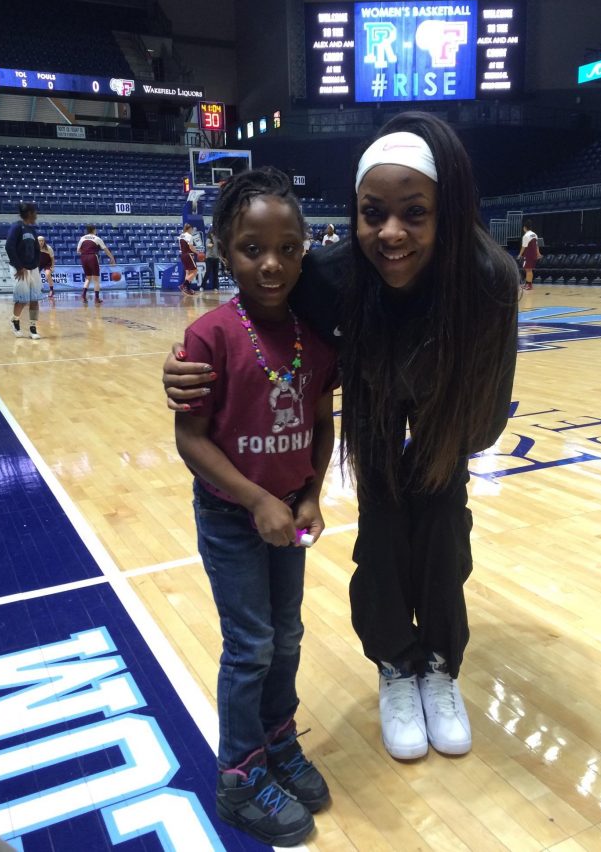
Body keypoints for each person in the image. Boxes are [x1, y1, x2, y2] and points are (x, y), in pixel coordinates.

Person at [163, 111, 518, 764]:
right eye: (370, 212)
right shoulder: (329, 277)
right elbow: (258, 315)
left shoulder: (487, 279)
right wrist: (191, 368)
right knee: (381, 531)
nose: (390, 233)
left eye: (414, 213)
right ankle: (393, 662)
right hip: (374, 414)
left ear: (447, 211)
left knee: (441, 531)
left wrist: (438, 448)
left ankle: (438, 664)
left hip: (451, 417)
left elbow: (486, 420)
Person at [174, 167, 337, 846]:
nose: (271, 264)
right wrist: (257, 499)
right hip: (232, 518)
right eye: (251, 248)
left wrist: (309, 494)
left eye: (287, 248)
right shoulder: (209, 336)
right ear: (221, 247)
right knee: (251, 646)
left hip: (288, 515)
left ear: (304, 247)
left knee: (289, 635)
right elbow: (189, 439)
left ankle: (275, 740)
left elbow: (322, 421)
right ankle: (238, 775)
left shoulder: (315, 334)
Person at [4, 201, 42, 340]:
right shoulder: (16, 227)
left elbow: (37, 250)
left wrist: (36, 265)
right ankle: (15, 321)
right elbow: (9, 247)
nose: (36, 215)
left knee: (35, 299)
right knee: (22, 300)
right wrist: (19, 266)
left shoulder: (32, 230)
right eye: (35, 212)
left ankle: (33, 327)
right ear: (30, 213)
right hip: (20, 269)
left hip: (33, 269)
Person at [77, 225, 115, 304]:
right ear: (94, 230)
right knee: (96, 279)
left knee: (88, 278)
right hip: (92, 257)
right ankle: (97, 298)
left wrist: (85, 252)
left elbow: (78, 251)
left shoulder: (82, 238)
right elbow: (106, 250)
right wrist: (112, 258)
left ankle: (83, 295)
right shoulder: (97, 238)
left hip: (83, 257)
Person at [179, 222, 204, 295]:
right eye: (191, 229)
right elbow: (191, 247)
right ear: (189, 229)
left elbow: (181, 247)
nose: (192, 230)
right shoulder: (189, 236)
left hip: (182, 255)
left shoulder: (181, 236)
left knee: (188, 272)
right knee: (195, 271)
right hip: (188, 255)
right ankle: (184, 285)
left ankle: (187, 289)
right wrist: (198, 252)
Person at [517, 219, 542, 290]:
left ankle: (528, 285)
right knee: (529, 270)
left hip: (528, 255)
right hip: (533, 255)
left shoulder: (526, 236)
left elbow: (523, 247)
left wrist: (519, 254)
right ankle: (528, 284)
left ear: (525, 228)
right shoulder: (535, 234)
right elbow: (537, 246)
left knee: (528, 270)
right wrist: (538, 253)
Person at [201, 226, 220, 292]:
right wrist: (211, 244)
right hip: (209, 258)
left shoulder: (217, 238)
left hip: (216, 258)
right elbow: (207, 245)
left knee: (216, 273)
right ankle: (202, 286)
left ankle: (216, 287)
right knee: (207, 273)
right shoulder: (209, 238)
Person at [38, 234, 55, 300]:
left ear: (44, 241)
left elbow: (53, 258)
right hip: (38, 264)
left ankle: (51, 290)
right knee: (35, 277)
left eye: (42, 240)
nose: (41, 242)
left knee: (48, 274)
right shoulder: (35, 248)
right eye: (39, 241)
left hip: (47, 263)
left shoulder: (48, 248)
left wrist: (53, 267)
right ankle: (37, 290)